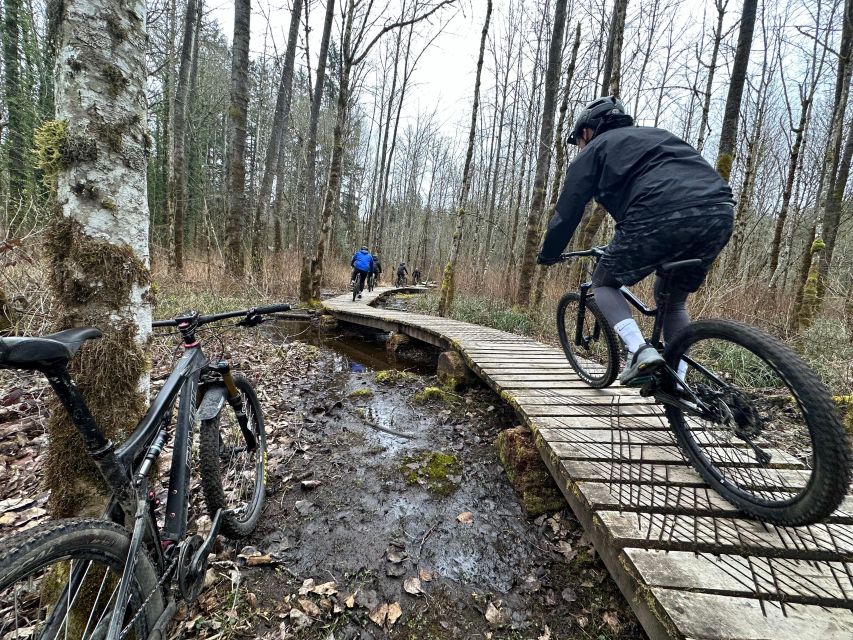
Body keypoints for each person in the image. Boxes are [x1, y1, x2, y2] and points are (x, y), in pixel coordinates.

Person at [536, 96, 734, 385]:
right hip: (718, 213)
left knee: (603, 282)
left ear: (588, 131)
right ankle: (677, 381)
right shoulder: (661, 137)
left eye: (579, 140)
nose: (580, 146)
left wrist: (549, 253)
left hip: (655, 213)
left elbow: (567, 212)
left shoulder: (594, 149)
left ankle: (640, 350)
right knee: (672, 301)